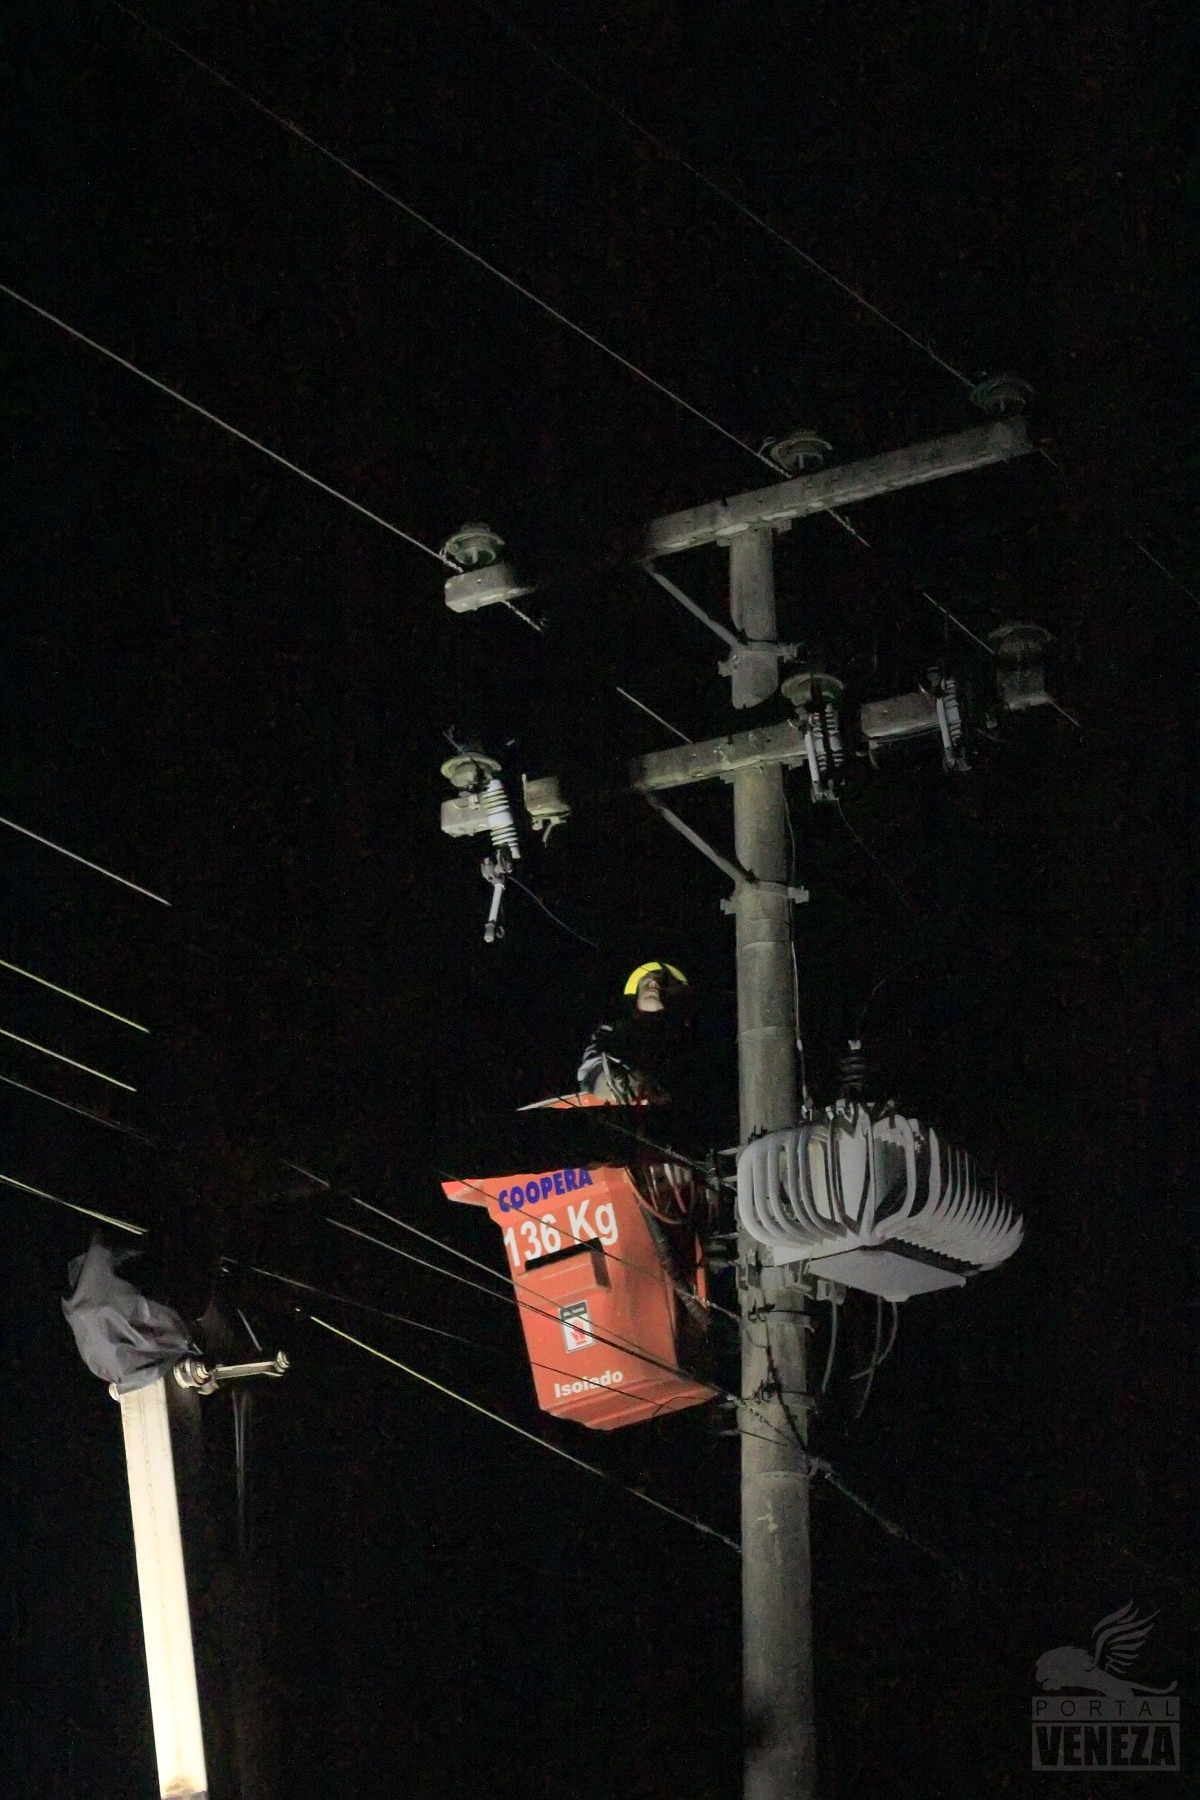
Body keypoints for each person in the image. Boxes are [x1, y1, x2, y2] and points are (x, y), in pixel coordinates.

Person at [576, 961, 689, 1102]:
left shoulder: (688, 1038)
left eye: (662, 983)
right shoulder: (612, 1031)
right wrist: (624, 1083)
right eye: (646, 982)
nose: (653, 984)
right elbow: (592, 1068)